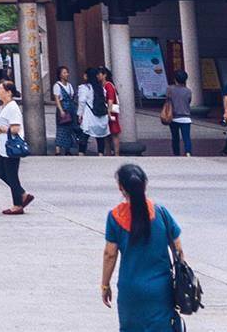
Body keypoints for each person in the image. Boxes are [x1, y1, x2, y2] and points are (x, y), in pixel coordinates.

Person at [99, 163, 185, 330]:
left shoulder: (115, 217)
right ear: (145, 185)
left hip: (130, 289)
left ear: (121, 188)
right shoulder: (161, 213)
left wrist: (105, 285)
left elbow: (110, 254)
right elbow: (178, 249)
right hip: (161, 289)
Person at [0, 79, 32, 214]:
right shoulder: (3, 106)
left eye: (0, 88)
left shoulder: (12, 107)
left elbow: (15, 128)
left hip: (12, 147)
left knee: (11, 176)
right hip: (3, 147)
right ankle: (22, 194)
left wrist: (0, 130)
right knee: (0, 172)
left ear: (8, 92)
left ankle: (18, 204)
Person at [79, 68, 112, 156]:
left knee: (84, 134)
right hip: (101, 116)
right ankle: (101, 154)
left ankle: (81, 153)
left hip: (89, 115)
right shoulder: (101, 88)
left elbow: (82, 101)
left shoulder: (85, 88)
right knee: (100, 137)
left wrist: (79, 114)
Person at [163, 69, 194, 157]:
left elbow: (167, 99)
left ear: (175, 79)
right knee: (186, 137)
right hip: (186, 117)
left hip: (173, 116)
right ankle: (188, 152)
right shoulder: (188, 91)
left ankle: (176, 153)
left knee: (175, 137)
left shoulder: (170, 89)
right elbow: (189, 101)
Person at [53, 64, 80, 156]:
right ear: (60, 75)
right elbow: (57, 99)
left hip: (70, 109)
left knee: (69, 129)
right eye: (64, 73)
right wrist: (61, 110)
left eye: (67, 72)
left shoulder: (69, 85)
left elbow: (72, 97)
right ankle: (57, 149)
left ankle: (67, 149)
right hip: (63, 108)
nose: (66, 74)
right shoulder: (57, 85)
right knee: (61, 128)